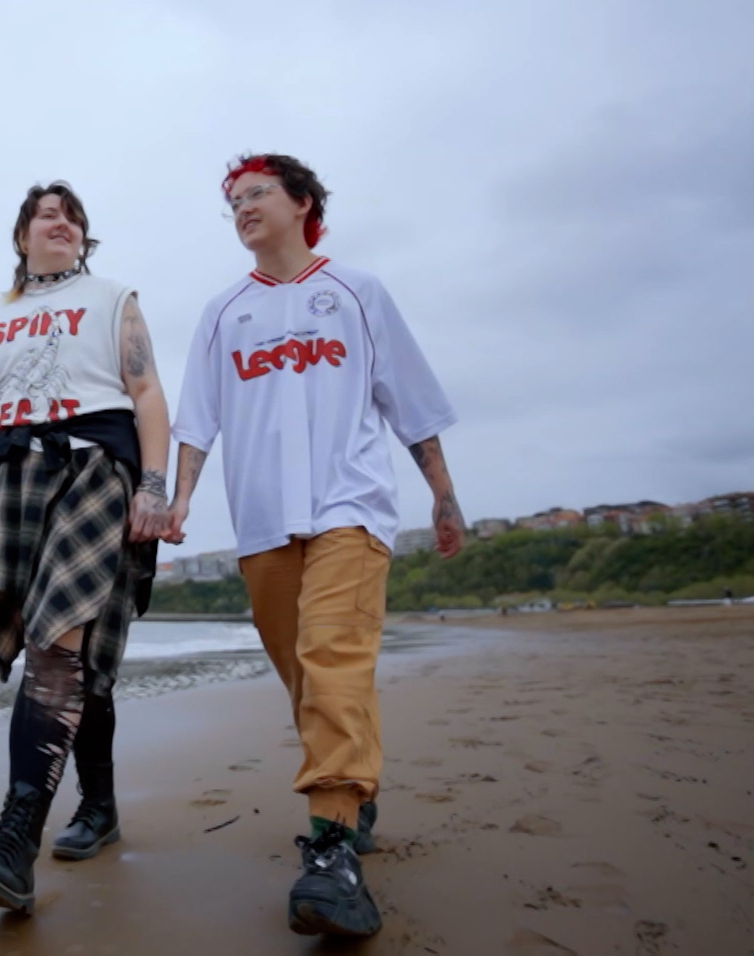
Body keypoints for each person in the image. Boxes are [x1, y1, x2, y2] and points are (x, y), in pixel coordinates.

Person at [167, 154, 463, 938]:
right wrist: (182, 496)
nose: (241, 207)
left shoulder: (359, 293)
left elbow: (411, 403)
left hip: (350, 507)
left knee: (333, 654)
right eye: (232, 200)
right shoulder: (223, 313)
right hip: (262, 519)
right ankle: (354, 791)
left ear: (302, 202)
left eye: (256, 192)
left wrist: (442, 494)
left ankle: (331, 851)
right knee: (307, 676)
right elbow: (198, 418)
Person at [0, 181, 172, 914]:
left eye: (73, 216)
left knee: (59, 641)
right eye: (47, 214)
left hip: (94, 468)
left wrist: (153, 487)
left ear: (84, 238)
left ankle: (14, 841)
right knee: (69, 653)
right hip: (14, 474)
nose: (62, 222)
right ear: (22, 236)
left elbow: (147, 392)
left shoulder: (113, 298)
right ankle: (100, 806)